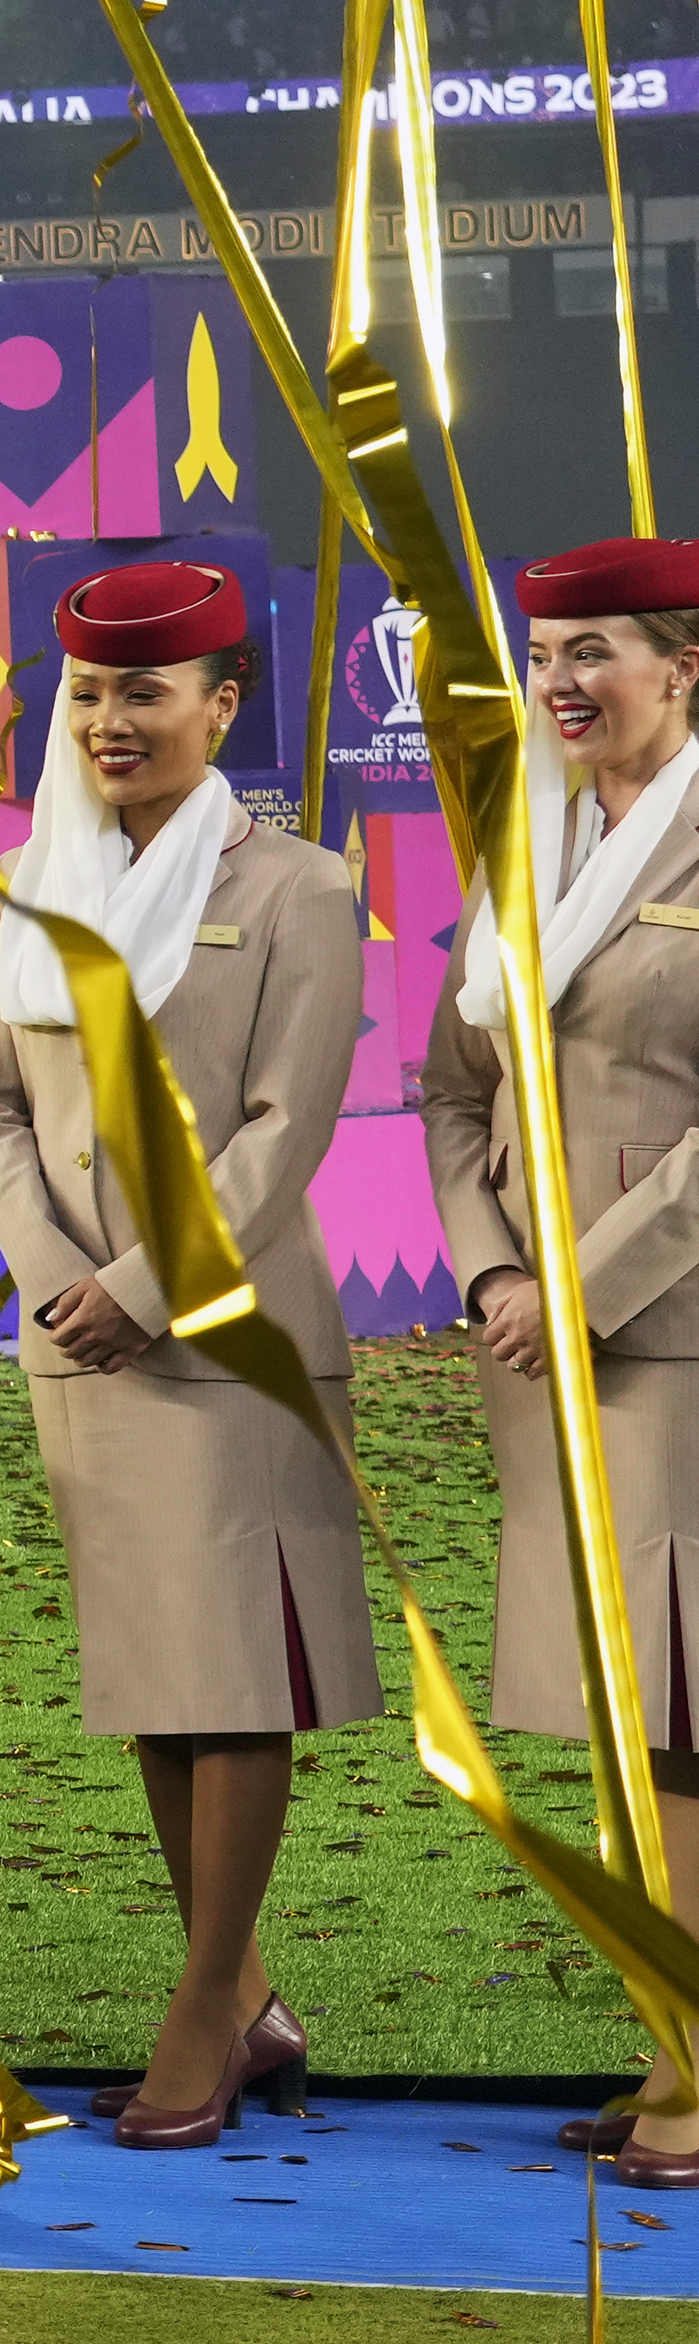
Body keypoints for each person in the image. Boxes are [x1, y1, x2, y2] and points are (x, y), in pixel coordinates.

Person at [0, 557, 368, 2153]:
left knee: (235, 1678)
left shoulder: (300, 892)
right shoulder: (23, 882)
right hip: (86, 1347)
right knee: (154, 1687)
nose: (113, 720)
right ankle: (244, 1998)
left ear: (222, 705)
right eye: (89, 693)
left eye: (146, 690)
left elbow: (285, 1131)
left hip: (232, 1341)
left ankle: (202, 2018)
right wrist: (62, 1281)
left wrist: (143, 1281)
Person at [430, 534, 699, 2186]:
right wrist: (492, 1263)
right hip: (541, 1352)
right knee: (621, 1718)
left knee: (684, 1720)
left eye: (598, 645)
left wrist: (581, 1283)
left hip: (669, 1342)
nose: (566, 678)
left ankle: (689, 2063)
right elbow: (453, 1089)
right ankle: (668, 2031)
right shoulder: (524, 840)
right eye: (549, 650)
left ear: (686, 664)